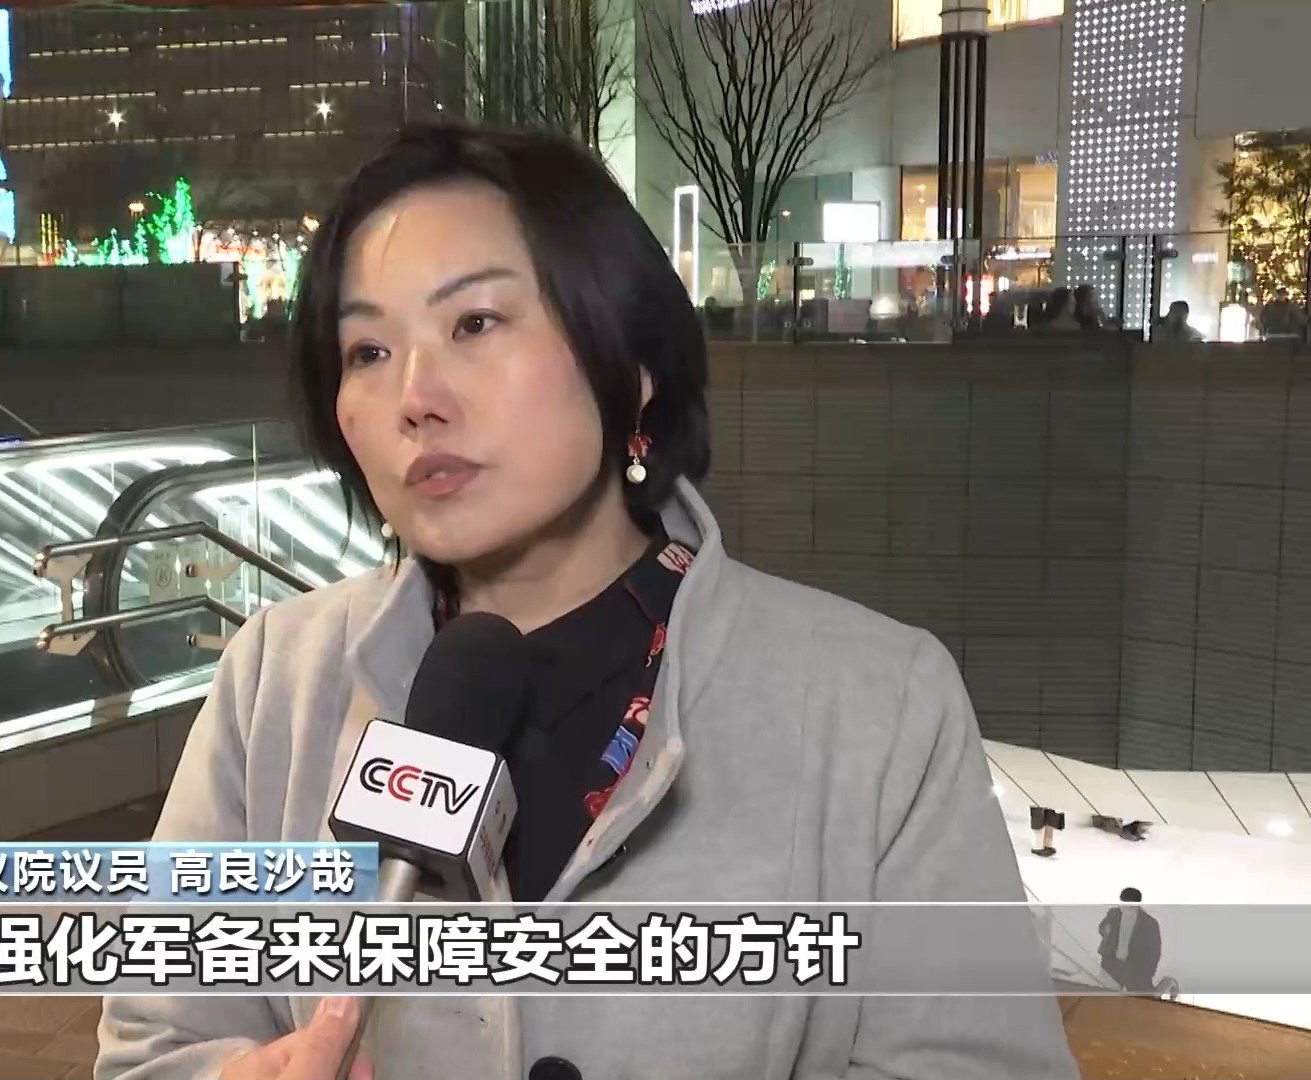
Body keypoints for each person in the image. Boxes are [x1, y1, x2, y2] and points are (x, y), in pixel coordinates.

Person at [96, 124, 1077, 1080]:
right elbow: (156, 1044)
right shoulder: (275, 681)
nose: (415, 397)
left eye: (474, 323)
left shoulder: (881, 707)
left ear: (632, 364)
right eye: (367, 352)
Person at [1098, 887, 1163, 994]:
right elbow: (1102, 928)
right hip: (1111, 966)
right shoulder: (1113, 913)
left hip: (1135, 970)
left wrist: (1146, 975)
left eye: (1128, 905)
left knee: (1136, 1001)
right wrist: (1106, 929)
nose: (1124, 907)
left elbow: (1155, 951)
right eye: (1122, 903)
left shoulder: (1149, 923)